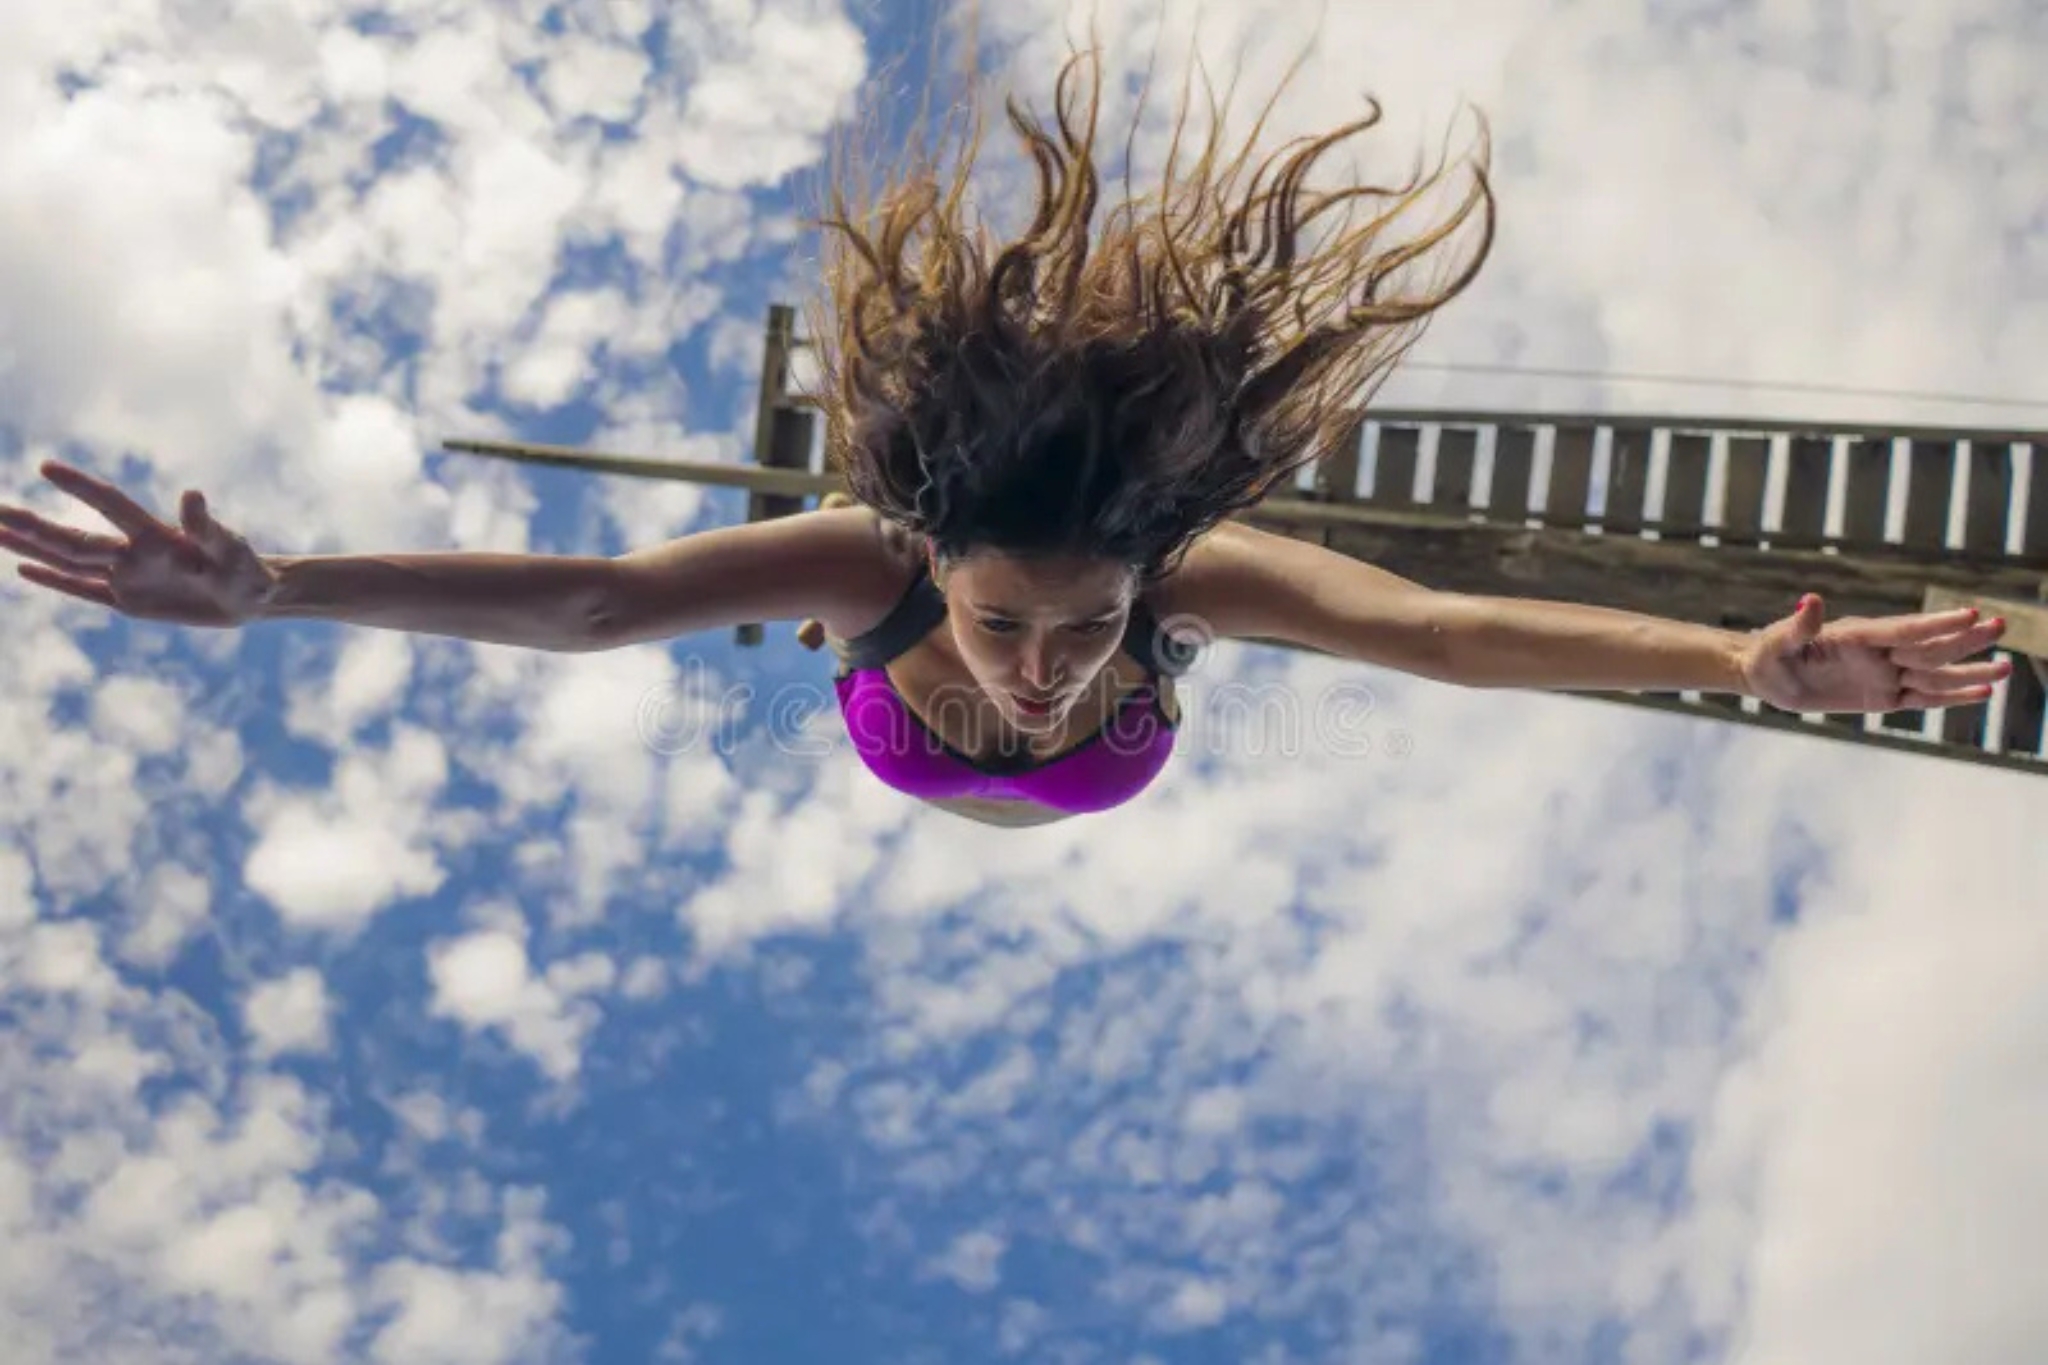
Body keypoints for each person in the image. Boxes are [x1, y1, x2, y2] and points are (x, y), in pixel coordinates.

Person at [0, 49, 2013, 828]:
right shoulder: (876, 572)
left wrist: (1735, 656)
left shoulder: (1164, 603)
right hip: (892, 724)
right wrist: (280, 586)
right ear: (929, 575)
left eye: (1072, 628)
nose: (1040, 668)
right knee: (795, 606)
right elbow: (606, 598)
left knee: (1278, 631)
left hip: (1091, 757)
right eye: (1007, 626)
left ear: (1143, 592)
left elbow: (1443, 632)